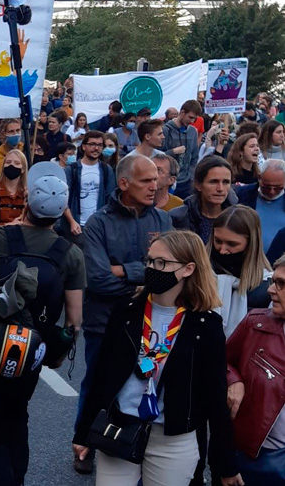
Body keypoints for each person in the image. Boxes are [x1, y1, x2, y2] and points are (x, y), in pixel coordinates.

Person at [72, 231, 244, 486]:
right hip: (120, 426)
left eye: (162, 263)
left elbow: (214, 398)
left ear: (188, 269)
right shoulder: (126, 311)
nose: (152, 268)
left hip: (173, 440)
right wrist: (84, 432)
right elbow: (100, 376)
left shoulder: (206, 326)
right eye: (150, 261)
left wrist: (225, 464)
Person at [0, 162, 85, 486]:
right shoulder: (70, 254)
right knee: (18, 412)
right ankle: (16, 477)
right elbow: (74, 319)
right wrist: (56, 354)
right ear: (63, 209)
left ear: (27, 200)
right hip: (33, 347)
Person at [75, 153, 173, 474]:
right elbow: (99, 279)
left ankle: (137, 444)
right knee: (97, 384)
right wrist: (146, 275)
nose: (154, 185)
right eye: (146, 180)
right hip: (103, 323)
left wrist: (123, 271)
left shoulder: (163, 221)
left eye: (156, 179)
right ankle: (86, 441)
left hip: (149, 324)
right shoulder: (98, 224)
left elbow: (171, 275)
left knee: (140, 384)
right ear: (123, 183)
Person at [225, 255, 285, 485]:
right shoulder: (255, 324)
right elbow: (220, 362)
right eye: (273, 281)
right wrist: (233, 380)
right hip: (256, 460)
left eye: (282, 284)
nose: (270, 290)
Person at [209, 206, 272, 336]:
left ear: (251, 244)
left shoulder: (267, 285)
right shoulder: (197, 272)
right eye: (218, 241)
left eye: (232, 244)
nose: (222, 250)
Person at [60, 131, 116, 245]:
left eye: (100, 145)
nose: (96, 148)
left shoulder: (106, 169)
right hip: (76, 226)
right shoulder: (72, 170)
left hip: (97, 226)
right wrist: (72, 222)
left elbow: (110, 199)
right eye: (92, 144)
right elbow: (63, 198)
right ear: (84, 146)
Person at [171, 156, 235, 244]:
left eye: (226, 182)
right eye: (213, 182)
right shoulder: (178, 218)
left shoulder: (238, 217)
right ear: (198, 185)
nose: (220, 188)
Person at [235, 159, 285, 254]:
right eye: (266, 186)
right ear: (259, 177)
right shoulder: (242, 195)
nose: (272, 191)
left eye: (278, 187)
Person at [162, 100, 202, 199]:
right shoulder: (165, 130)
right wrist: (173, 152)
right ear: (182, 112)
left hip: (187, 182)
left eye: (194, 119)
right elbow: (157, 156)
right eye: (190, 117)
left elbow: (194, 156)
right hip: (168, 182)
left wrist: (191, 175)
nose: (192, 121)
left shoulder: (193, 131)